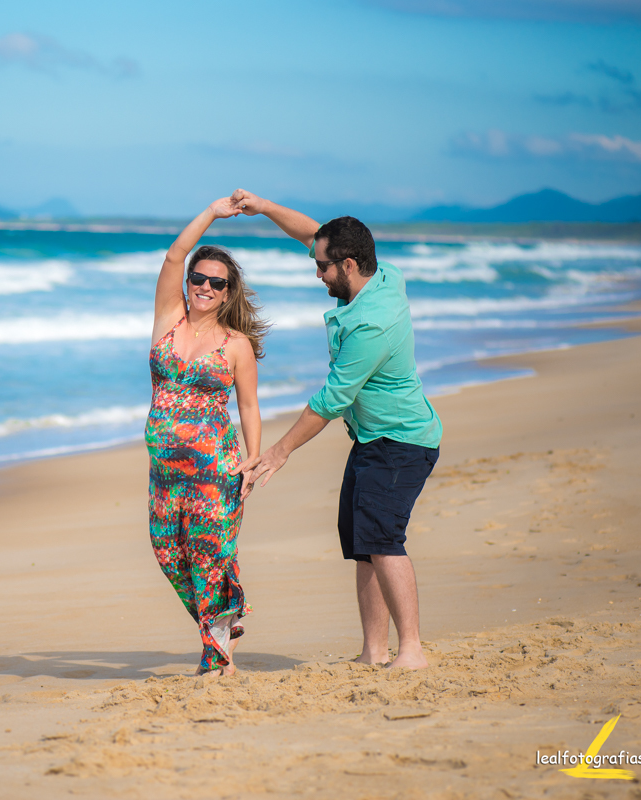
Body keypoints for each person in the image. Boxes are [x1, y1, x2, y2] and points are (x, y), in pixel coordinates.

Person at [231, 189, 442, 670]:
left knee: (384, 540)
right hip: (373, 439)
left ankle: (411, 649)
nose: (318, 274)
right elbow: (314, 234)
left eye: (323, 267)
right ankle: (374, 650)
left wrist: (279, 452)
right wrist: (265, 208)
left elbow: (332, 400)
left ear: (347, 265)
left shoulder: (370, 324)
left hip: (401, 441)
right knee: (363, 542)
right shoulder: (384, 276)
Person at [147, 196, 269, 676]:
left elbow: (249, 406)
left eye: (216, 283)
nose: (204, 286)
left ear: (227, 293)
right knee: (167, 553)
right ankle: (223, 626)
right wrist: (212, 213)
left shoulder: (236, 346)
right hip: (164, 471)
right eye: (198, 278)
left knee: (211, 556)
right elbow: (173, 256)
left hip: (215, 469)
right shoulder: (167, 320)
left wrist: (254, 460)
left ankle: (218, 655)